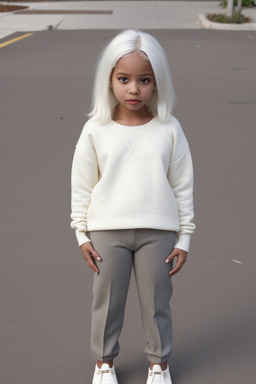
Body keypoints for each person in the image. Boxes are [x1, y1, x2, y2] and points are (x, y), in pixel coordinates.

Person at [71, 29, 195, 384]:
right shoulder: (95, 129)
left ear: (157, 83)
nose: (134, 89)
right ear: (109, 80)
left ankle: (159, 364)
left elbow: (182, 185)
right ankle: (104, 363)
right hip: (107, 232)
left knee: (157, 301)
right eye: (124, 79)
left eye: (144, 80)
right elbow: (82, 185)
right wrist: (82, 234)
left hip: (158, 233)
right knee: (106, 301)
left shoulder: (169, 128)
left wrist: (184, 237)